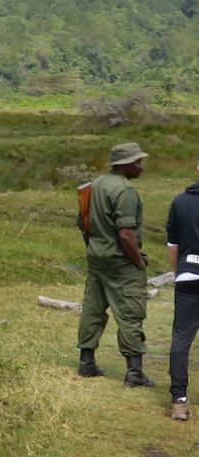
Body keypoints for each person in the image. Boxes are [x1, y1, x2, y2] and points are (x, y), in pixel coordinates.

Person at [77, 141, 153, 387]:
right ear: (126, 165)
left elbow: (83, 221)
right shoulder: (125, 190)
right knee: (130, 312)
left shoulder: (95, 184)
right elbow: (126, 234)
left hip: (97, 258)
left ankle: (86, 362)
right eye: (138, 162)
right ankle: (134, 373)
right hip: (121, 262)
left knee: (93, 308)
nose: (141, 166)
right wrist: (139, 261)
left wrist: (94, 245)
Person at [166, 162, 199, 419]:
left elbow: (173, 246)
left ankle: (179, 399)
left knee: (181, 338)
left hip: (188, 274)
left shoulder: (179, 202)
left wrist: (178, 275)